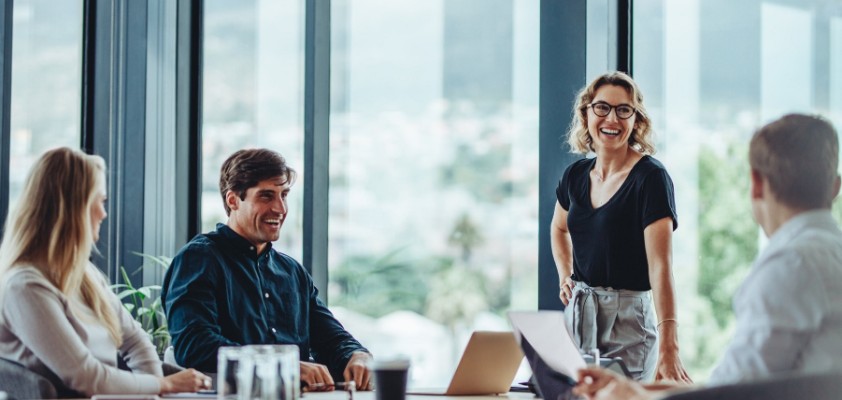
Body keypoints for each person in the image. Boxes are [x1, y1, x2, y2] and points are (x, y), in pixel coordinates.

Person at [574, 113, 842, 399]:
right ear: (836, 187)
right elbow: (738, 384)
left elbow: (731, 396)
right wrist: (639, 388)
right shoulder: (828, 255)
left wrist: (630, 397)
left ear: (756, 184)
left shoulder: (791, 267)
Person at [0, 147, 210, 397]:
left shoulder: (83, 274)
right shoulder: (25, 288)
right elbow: (85, 376)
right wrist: (163, 384)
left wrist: (151, 392)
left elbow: (134, 339)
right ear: (72, 209)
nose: (104, 213)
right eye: (99, 201)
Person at [162, 148, 372, 391]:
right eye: (266, 196)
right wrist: (284, 366)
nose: (280, 208)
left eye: (284, 195)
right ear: (233, 200)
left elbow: (330, 337)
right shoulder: (199, 259)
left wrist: (357, 355)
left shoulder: (291, 271)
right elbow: (195, 346)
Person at [552, 71, 690, 382]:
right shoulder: (575, 175)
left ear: (636, 120)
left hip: (628, 320)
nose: (611, 118)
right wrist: (565, 273)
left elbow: (661, 266)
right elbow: (559, 229)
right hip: (578, 314)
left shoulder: (651, 178)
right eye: (602, 107)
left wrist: (670, 345)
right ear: (587, 113)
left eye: (623, 110)